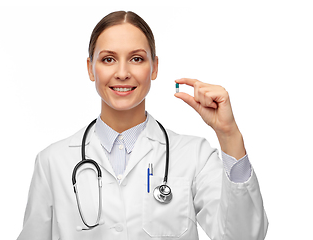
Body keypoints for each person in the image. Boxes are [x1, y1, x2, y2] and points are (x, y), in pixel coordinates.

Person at [17, 11, 268, 240]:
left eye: (136, 58)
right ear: (90, 68)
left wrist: (228, 133)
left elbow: (244, 236)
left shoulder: (194, 156)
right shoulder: (53, 162)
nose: (123, 72)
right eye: (108, 59)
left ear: (154, 67)